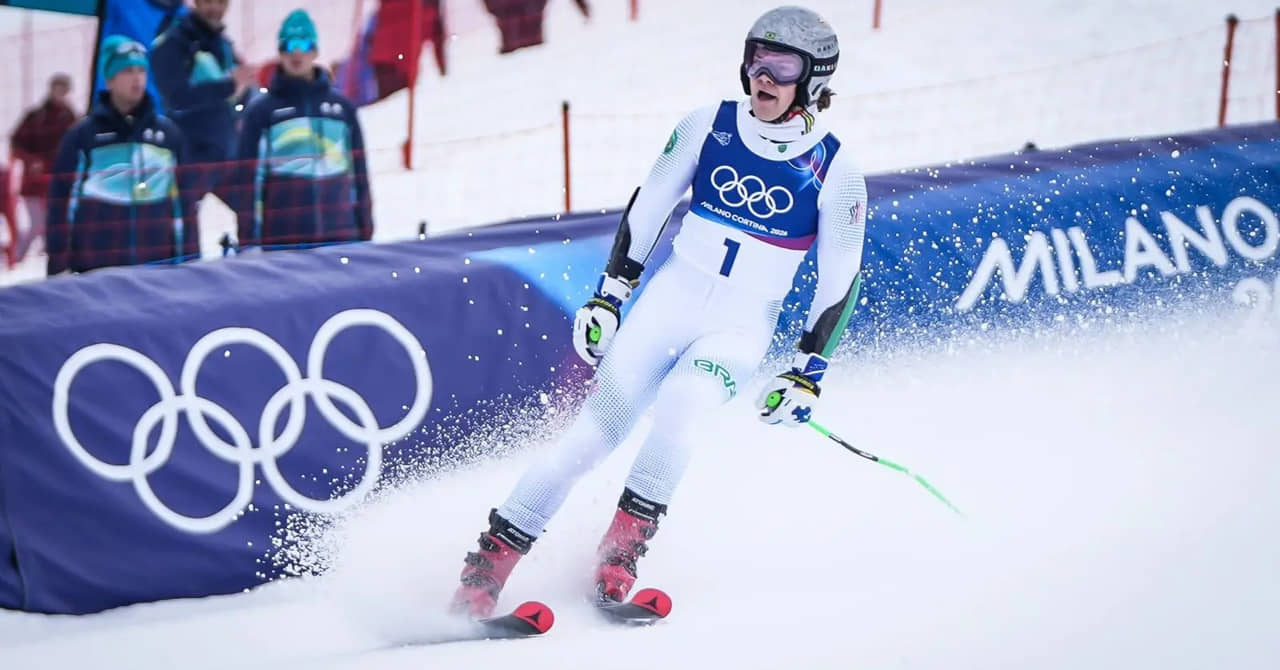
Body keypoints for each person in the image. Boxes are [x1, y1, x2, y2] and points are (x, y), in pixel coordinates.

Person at [449, 5, 867, 618]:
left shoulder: (836, 169)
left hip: (738, 328)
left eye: (782, 67)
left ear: (814, 80)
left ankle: (617, 558)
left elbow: (840, 280)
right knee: (588, 439)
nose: (763, 77)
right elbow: (649, 208)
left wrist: (809, 371)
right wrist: (609, 295)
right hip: (669, 303)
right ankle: (483, 575)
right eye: (757, 60)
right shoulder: (708, 125)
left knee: (682, 407)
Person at [45, 36, 199, 275]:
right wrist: (58, 266)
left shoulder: (168, 135)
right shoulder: (83, 136)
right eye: (127, 71)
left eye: (141, 70)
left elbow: (185, 204)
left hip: (157, 269)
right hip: (97, 271)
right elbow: (61, 204)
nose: (137, 78)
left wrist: (191, 263)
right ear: (109, 80)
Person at [232, 10, 373, 249]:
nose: (296, 53)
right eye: (289, 45)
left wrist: (365, 230)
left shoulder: (342, 109)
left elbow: (359, 174)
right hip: (283, 242)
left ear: (315, 51)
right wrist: (249, 241)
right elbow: (248, 184)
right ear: (280, 52)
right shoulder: (262, 112)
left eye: (304, 44)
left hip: (340, 237)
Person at [150, 0, 255, 202]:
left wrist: (243, 92)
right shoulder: (174, 41)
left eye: (220, 2)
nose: (214, 8)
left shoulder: (224, 45)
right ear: (196, 2)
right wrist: (230, 86)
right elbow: (175, 98)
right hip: (192, 156)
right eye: (208, 1)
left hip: (227, 153)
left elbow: (237, 99)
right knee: (181, 215)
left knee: (255, 212)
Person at [8, 73, 78, 263]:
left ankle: (55, 262)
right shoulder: (36, 117)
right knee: (37, 225)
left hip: (60, 183)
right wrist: (32, 161)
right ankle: (14, 260)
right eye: (58, 89)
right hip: (35, 183)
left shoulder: (71, 118)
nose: (61, 94)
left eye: (64, 90)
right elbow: (16, 143)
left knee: (56, 226)